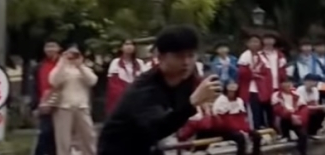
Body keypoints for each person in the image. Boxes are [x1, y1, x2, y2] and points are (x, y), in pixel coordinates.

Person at [98, 24, 222, 155]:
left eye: (191, 56)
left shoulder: (188, 79)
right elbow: (159, 127)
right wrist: (191, 103)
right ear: (160, 57)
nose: (186, 62)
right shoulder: (145, 89)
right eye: (179, 56)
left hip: (147, 146)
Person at [49, 44, 99, 155]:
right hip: (63, 107)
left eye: (75, 54)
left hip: (81, 106)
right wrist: (63, 62)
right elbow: (54, 81)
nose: (72, 56)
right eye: (70, 53)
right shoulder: (60, 68)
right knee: (63, 139)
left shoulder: (84, 68)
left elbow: (92, 81)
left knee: (88, 135)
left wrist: (80, 66)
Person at [31, 40, 61, 155]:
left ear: (59, 48)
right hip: (44, 104)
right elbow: (35, 87)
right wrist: (34, 105)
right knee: (45, 132)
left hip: (61, 104)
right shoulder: (40, 67)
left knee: (58, 134)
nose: (50, 49)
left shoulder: (64, 65)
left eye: (53, 46)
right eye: (47, 47)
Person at [106, 39, 146, 116]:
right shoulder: (116, 62)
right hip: (121, 96)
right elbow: (113, 83)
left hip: (137, 96)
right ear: (121, 47)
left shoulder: (140, 63)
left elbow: (145, 80)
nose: (129, 47)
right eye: (126, 44)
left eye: (131, 44)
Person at [273, 79, 309, 155]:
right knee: (282, 118)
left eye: (289, 84)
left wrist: (300, 119)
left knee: (303, 135)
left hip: (296, 119)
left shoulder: (297, 95)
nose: (288, 86)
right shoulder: (276, 95)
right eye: (285, 84)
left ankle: (302, 152)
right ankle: (284, 135)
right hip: (284, 120)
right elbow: (278, 111)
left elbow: (304, 108)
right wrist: (291, 115)